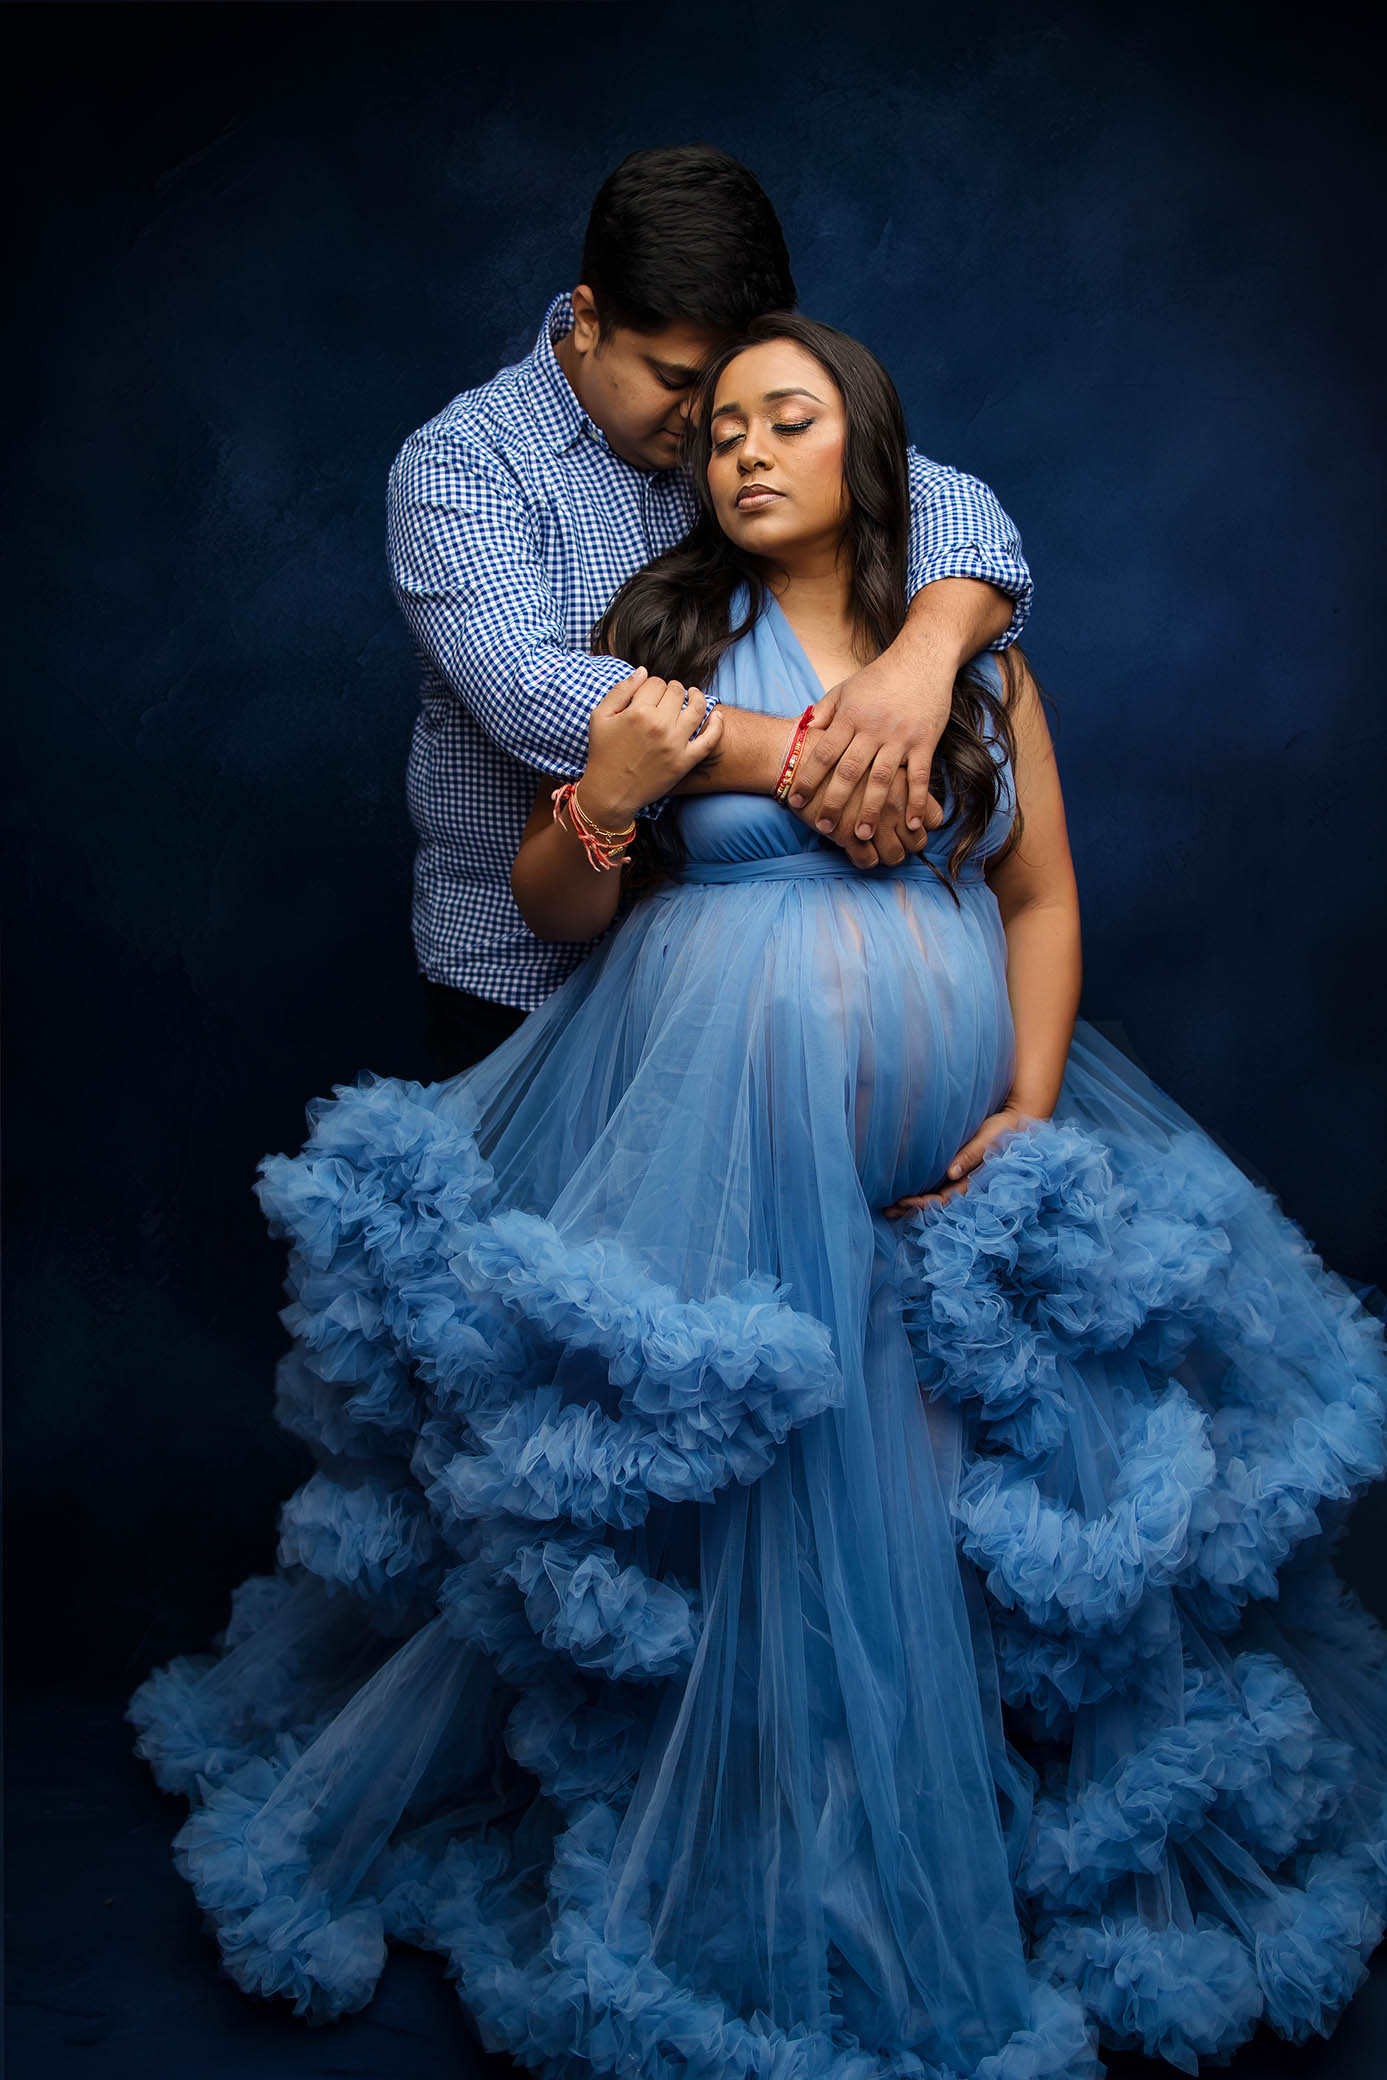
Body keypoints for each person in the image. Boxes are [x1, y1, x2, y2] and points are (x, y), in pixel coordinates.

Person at [129, 315, 1387, 2079]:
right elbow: (562, 907)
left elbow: (1035, 899)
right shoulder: (661, 641)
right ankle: (752, 1835)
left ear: (867, 453)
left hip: (943, 1177)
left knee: (948, 1478)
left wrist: (1027, 1106)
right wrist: (602, 801)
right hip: (723, 1157)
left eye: (785, 420)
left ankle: (938, 1820)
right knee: (750, 1482)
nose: (742, 451)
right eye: (719, 429)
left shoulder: (973, 666)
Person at [387, 143, 1033, 1078]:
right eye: (677, 380)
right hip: (528, 980)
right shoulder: (463, 464)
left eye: (726, 387)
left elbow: (949, 508)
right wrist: (823, 760)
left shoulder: (747, 431)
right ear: (586, 319)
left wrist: (915, 670)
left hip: (744, 1005)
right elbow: (531, 694)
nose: (707, 422)